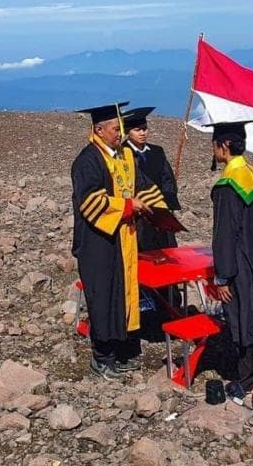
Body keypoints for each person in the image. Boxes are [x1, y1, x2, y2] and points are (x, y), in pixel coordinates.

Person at [71, 102, 169, 379]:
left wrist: (160, 212)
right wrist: (128, 207)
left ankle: (122, 351)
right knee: (104, 296)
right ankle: (101, 357)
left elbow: (143, 186)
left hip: (124, 237)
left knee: (124, 295)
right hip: (98, 241)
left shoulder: (124, 155)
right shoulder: (87, 161)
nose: (120, 133)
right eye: (115, 129)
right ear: (98, 129)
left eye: (121, 128)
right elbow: (89, 202)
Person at [207, 120, 253, 403]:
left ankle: (246, 378)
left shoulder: (227, 185)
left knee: (241, 316)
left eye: (214, 145)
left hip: (238, 265)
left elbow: (224, 235)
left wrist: (222, 276)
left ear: (224, 146)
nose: (213, 150)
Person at [121, 106, 181, 251]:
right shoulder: (122, 154)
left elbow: (168, 179)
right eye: (137, 129)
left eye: (145, 128)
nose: (142, 133)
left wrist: (165, 202)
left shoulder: (157, 151)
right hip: (138, 215)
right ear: (128, 132)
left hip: (160, 211)